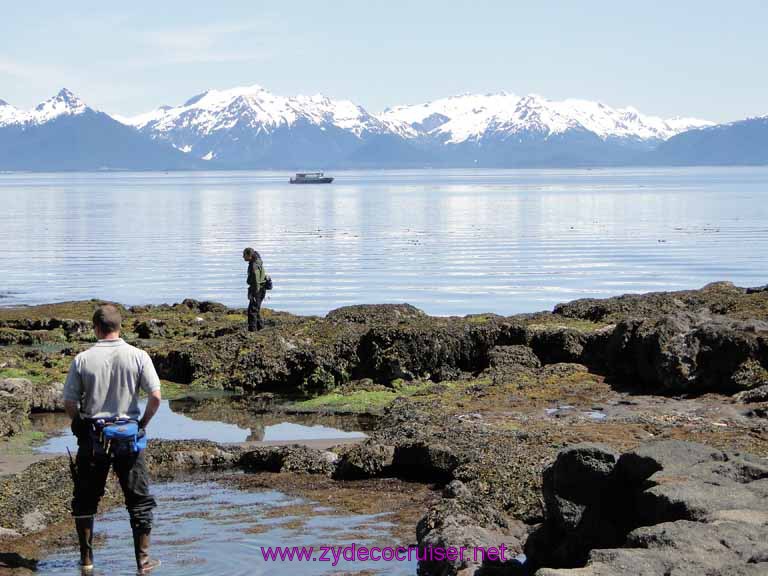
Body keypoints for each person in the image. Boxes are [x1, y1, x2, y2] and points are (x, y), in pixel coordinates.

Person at [63, 304, 162, 574]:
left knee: (85, 500)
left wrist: (79, 425)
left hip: (93, 439)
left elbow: (70, 401)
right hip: (129, 438)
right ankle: (143, 563)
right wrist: (142, 424)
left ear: (96, 327)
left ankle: (86, 561)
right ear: (120, 327)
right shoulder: (138, 355)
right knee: (139, 501)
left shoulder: (83, 359)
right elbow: (155, 396)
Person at [243, 247, 269, 331]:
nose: (243, 257)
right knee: (256, 310)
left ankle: (252, 331)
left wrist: (254, 294)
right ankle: (260, 328)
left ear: (249, 255)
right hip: (260, 289)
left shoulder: (254, 266)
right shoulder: (257, 261)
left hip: (258, 290)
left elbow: (256, 281)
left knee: (252, 312)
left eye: (244, 255)